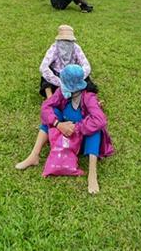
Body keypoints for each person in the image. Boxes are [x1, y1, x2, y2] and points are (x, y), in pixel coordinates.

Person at [15, 64, 114, 194]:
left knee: (95, 131)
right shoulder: (62, 92)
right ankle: (34, 155)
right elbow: (46, 107)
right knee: (52, 113)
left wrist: (76, 127)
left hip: (82, 138)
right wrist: (58, 124)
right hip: (65, 133)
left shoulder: (88, 97)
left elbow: (100, 120)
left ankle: (92, 174)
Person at [37, 26, 97, 99]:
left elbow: (86, 66)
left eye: (68, 41)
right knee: (46, 81)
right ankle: (50, 99)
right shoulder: (54, 49)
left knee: (88, 83)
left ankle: (90, 99)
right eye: (63, 41)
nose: (66, 44)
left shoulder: (76, 48)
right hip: (58, 75)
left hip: (73, 74)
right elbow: (43, 67)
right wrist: (59, 82)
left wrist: (77, 78)